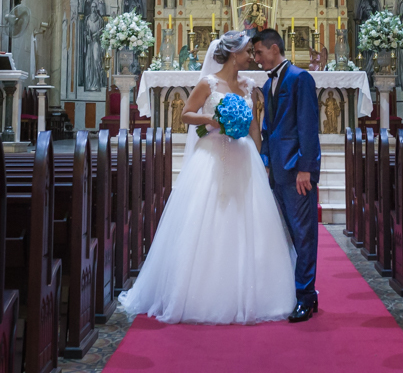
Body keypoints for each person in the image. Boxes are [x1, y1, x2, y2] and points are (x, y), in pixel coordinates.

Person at [119, 31, 296, 324]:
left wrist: (260, 159)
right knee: (208, 216)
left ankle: (255, 293)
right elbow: (186, 114)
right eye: (247, 52)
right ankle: (201, 293)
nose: (251, 57)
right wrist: (211, 120)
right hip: (211, 156)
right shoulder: (208, 83)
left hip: (243, 156)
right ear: (233, 54)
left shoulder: (248, 85)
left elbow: (254, 126)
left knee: (248, 219)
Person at [253, 28, 321, 323]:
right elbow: (268, 127)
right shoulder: (269, 83)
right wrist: (266, 161)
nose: (256, 59)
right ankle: (300, 292)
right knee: (289, 235)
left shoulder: (300, 78)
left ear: (274, 48)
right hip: (278, 171)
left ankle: (305, 296)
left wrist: (307, 168)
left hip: (297, 170)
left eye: (259, 52)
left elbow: (308, 125)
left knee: (304, 235)